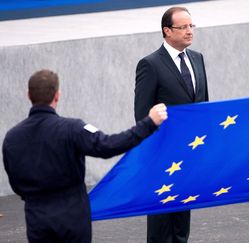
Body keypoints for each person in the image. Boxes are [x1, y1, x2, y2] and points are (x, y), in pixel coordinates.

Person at [2, 69, 167, 243]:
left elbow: (15, 179)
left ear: (29, 95)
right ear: (57, 96)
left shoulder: (12, 137)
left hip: (37, 217)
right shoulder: (72, 129)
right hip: (72, 216)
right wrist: (148, 123)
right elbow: (108, 145)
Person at [134, 6, 209, 243]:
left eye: (191, 26)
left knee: (181, 223)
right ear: (167, 31)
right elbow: (142, 114)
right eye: (183, 27)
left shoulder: (197, 59)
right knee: (161, 225)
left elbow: (203, 106)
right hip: (163, 155)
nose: (189, 31)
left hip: (190, 152)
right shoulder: (150, 64)